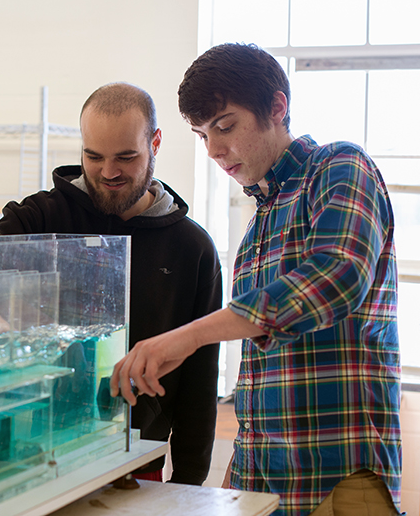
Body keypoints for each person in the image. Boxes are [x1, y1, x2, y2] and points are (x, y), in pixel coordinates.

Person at [110, 44, 401, 516]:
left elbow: (337, 278)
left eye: (225, 126)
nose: (215, 149)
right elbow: (262, 370)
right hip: (264, 478)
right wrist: (236, 479)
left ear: (277, 108)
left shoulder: (339, 168)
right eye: (202, 135)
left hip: (340, 475)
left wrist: (185, 339)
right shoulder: (259, 223)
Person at [0, 82, 223, 485]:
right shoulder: (36, 219)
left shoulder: (192, 248)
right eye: (94, 157)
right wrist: (1, 331)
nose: (109, 172)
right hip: (13, 449)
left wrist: (189, 485)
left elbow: (200, 381)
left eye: (126, 158)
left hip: (130, 458)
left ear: (156, 143)